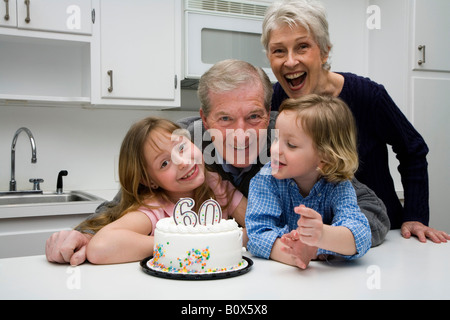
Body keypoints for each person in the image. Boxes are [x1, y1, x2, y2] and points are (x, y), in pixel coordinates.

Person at [46, 60, 389, 266]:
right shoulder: (183, 142)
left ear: (268, 113)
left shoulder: (287, 138)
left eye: (254, 116)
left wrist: (325, 243)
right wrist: (83, 234)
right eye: (225, 119)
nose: (241, 134)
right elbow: (129, 200)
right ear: (204, 120)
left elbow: (372, 211)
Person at [262, 0, 449, 243]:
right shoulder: (276, 99)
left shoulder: (367, 95)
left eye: (302, 47)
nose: (290, 61)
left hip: (377, 233)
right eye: (279, 51)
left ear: (325, 51)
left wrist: (415, 216)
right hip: (309, 240)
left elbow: (412, 149)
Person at [82, 117, 246, 264]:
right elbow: (99, 248)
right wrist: (183, 244)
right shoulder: (155, 209)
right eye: (164, 163)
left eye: (181, 147)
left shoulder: (215, 185)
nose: (182, 162)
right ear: (149, 181)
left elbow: (258, 224)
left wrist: (229, 239)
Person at [246, 95, 372, 269]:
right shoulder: (265, 180)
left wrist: (321, 236)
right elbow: (258, 234)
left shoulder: (338, 185)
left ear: (326, 158)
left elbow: (361, 235)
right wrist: (295, 255)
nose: (274, 149)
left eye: (290, 144)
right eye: (276, 138)